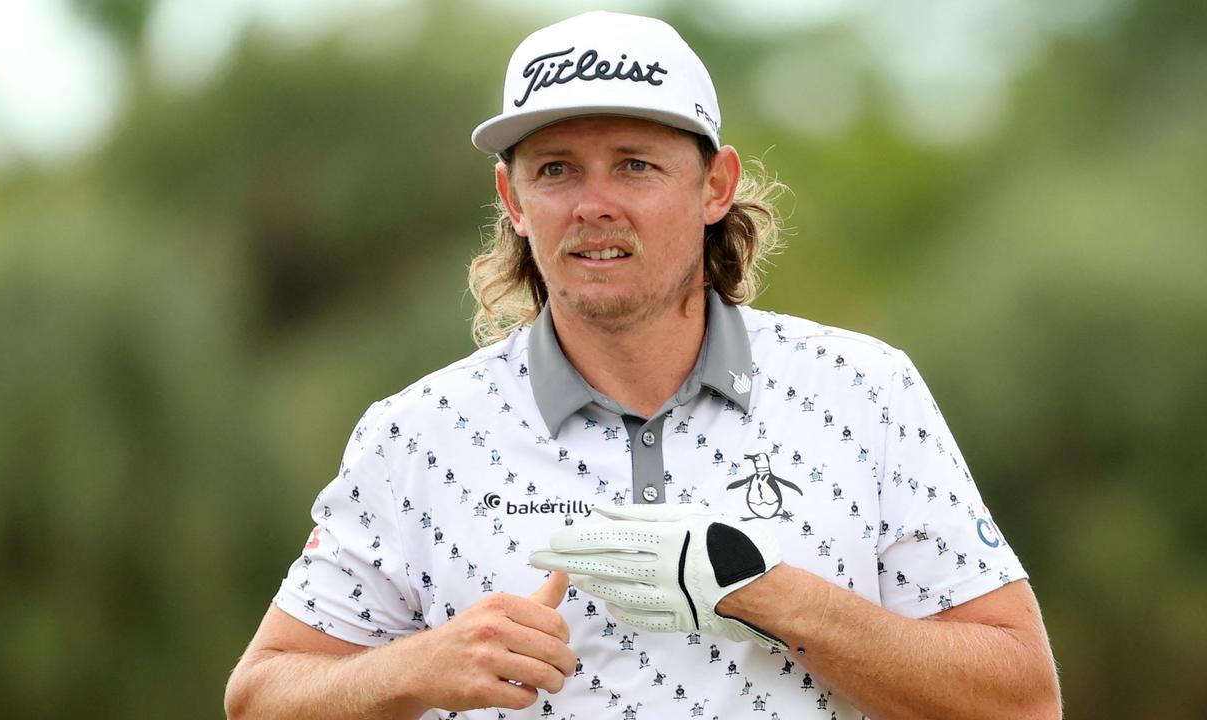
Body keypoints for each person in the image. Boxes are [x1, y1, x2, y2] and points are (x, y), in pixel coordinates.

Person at [224, 11, 1060, 720]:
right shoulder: (416, 434)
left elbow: (1024, 697)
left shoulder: (865, 391)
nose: (594, 203)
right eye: (555, 170)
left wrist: (759, 594)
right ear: (513, 202)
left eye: (635, 163)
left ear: (715, 186)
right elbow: (259, 693)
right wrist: (417, 666)